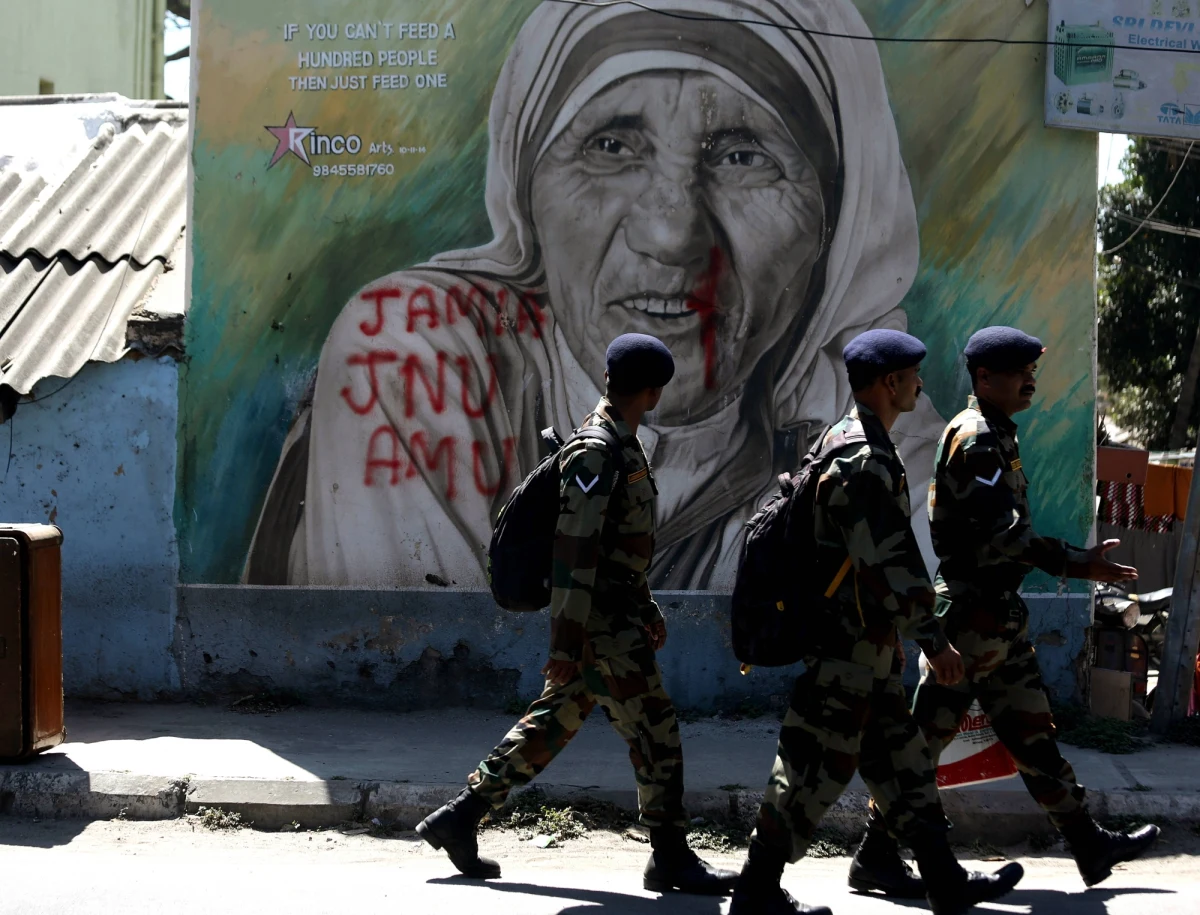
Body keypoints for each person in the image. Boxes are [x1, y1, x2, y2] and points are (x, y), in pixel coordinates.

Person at [243, 0, 948, 591]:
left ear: (837, 222)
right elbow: (427, 666)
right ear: (529, 196)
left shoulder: (872, 428)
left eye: (743, 156)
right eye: (611, 146)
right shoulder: (417, 352)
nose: (671, 233)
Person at [416, 334, 737, 896]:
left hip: (615, 615)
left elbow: (618, 548)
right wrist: (565, 647)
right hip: (600, 627)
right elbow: (574, 554)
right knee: (656, 733)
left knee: (551, 723)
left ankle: (460, 817)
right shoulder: (597, 451)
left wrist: (646, 606)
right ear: (654, 390)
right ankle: (670, 856)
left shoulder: (622, 443)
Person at [848, 326, 1159, 894]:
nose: (1030, 381)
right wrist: (1076, 563)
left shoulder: (993, 434)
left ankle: (1088, 844)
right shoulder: (978, 440)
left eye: (1031, 371)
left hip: (994, 620)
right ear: (985, 377)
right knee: (923, 744)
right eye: (1019, 372)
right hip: (969, 620)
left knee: (1030, 733)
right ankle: (876, 853)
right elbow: (1003, 539)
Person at [730, 329, 1023, 915]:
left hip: (868, 647)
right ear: (891, 382)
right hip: (847, 649)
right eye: (913, 374)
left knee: (905, 765)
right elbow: (890, 563)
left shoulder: (848, 437)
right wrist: (934, 641)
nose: (919, 383)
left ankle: (943, 881)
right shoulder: (863, 460)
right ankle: (757, 889)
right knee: (811, 768)